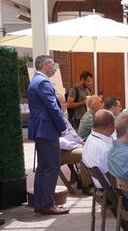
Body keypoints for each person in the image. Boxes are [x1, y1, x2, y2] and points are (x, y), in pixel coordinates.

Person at [28, 55, 68, 215]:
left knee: (43, 168)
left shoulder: (35, 81)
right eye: (53, 65)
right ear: (45, 65)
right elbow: (53, 107)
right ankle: (47, 204)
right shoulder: (43, 82)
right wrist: (62, 126)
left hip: (41, 130)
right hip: (47, 131)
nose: (55, 68)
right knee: (51, 167)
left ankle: (40, 203)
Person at [57, 93, 91, 194]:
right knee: (84, 153)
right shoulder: (55, 118)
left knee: (90, 150)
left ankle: (85, 180)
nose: (66, 105)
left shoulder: (62, 116)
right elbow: (60, 142)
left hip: (71, 148)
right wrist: (78, 145)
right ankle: (86, 185)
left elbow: (73, 133)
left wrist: (81, 141)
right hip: (61, 152)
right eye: (63, 102)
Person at [82, 109, 116, 188]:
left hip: (101, 183)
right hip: (113, 187)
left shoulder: (91, 139)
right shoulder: (106, 149)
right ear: (110, 126)